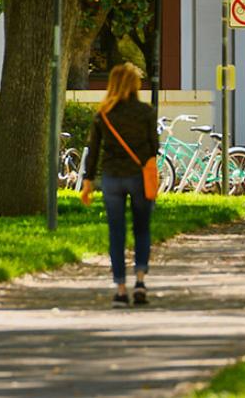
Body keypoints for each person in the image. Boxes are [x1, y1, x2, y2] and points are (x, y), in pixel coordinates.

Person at [80, 63, 161, 307]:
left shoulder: (103, 113)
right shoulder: (146, 112)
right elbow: (155, 147)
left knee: (116, 233)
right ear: (135, 84)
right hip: (139, 177)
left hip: (112, 177)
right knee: (141, 229)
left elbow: (93, 151)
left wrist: (87, 182)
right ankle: (140, 282)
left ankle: (120, 289)